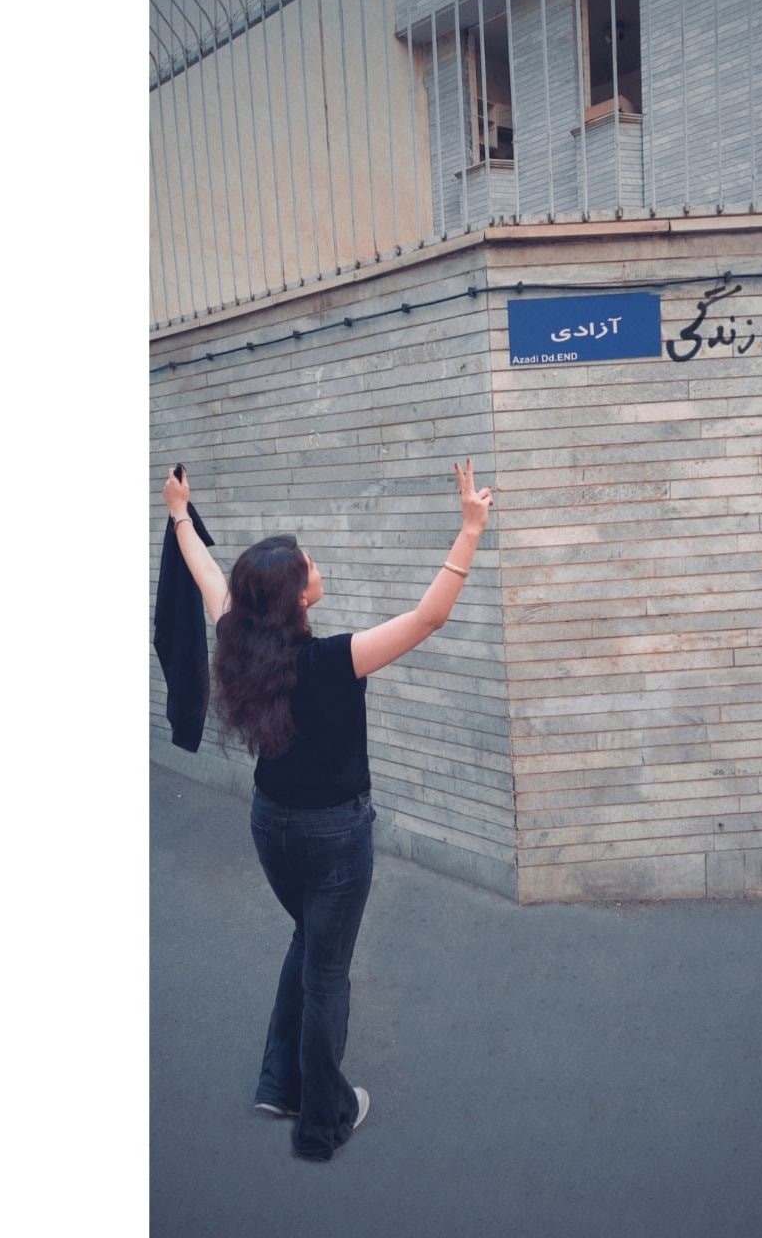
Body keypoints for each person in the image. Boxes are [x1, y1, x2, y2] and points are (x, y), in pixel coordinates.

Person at [160, 457, 494, 1161]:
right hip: (335, 837)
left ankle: (280, 1083)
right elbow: (430, 617)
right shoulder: (333, 660)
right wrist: (470, 529)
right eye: (307, 565)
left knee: (308, 942)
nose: (316, 565)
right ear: (297, 599)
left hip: (271, 826)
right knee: (325, 973)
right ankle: (323, 1119)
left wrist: (180, 514)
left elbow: (207, 575)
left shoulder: (237, 637)